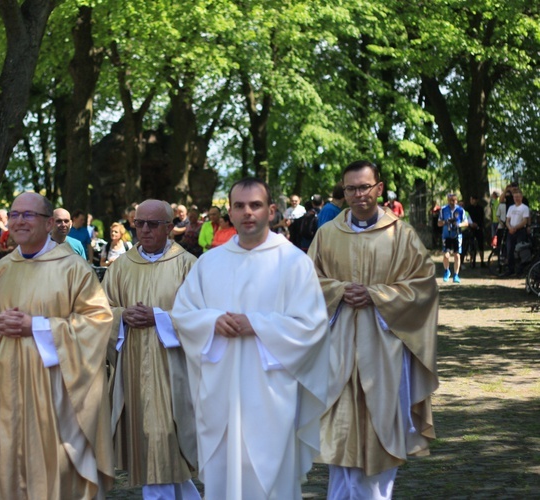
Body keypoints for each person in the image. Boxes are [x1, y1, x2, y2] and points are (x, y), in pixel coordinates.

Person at [172, 178, 330, 499]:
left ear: (271, 211)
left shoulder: (293, 262)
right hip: (220, 390)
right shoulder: (209, 262)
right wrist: (213, 320)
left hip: (272, 391)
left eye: (255, 205)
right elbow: (183, 314)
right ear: (229, 212)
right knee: (223, 476)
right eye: (240, 206)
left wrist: (256, 325)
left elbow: (312, 326)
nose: (248, 213)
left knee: (272, 480)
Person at [0, 192, 114, 499]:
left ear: (48, 224)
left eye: (28, 215)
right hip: (3, 390)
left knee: (51, 468)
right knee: (5, 466)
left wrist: (36, 326)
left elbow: (98, 321)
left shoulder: (74, 268)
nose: (19, 220)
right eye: (15, 214)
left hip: (55, 388)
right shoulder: (1, 269)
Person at [307, 160, 439, 500]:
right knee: (339, 433)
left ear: (379, 188)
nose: (358, 195)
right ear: (344, 191)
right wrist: (337, 291)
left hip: (385, 350)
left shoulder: (402, 235)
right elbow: (305, 284)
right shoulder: (327, 234)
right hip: (337, 351)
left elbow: (423, 287)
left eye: (365, 187)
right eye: (351, 188)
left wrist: (376, 295)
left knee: (381, 431)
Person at [102, 200, 199, 499]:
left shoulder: (188, 265)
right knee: (156, 445)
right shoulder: (121, 266)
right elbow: (100, 311)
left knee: (164, 440)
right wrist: (122, 316)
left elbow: (202, 316)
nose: (144, 229)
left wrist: (159, 318)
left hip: (174, 369)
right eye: (139, 223)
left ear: (170, 227)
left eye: (152, 224)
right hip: (132, 366)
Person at [438, 194, 469, 283]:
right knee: (446, 255)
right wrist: (445, 222)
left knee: (457, 255)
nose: (452, 202)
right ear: (448, 200)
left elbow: (466, 223)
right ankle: (447, 271)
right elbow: (439, 223)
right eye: (450, 200)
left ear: (456, 201)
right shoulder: (443, 210)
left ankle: (456, 275)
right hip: (446, 235)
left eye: (454, 200)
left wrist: (459, 224)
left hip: (457, 235)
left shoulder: (460, 210)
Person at [503, 188, 530, 277]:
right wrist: (510, 228)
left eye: (518, 197)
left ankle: (520, 270)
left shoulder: (525, 208)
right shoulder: (511, 208)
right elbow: (507, 220)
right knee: (509, 250)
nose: (516, 198)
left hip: (520, 231)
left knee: (520, 250)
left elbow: (525, 221)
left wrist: (515, 227)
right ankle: (511, 269)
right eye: (515, 197)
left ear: (521, 197)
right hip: (511, 231)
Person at [466, 196, 486, 268]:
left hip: (479, 228)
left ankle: (482, 261)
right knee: (472, 246)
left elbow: (482, 218)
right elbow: (466, 218)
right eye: (471, 199)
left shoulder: (480, 208)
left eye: (474, 199)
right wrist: (471, 224)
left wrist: (479, 225)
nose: (472, 201)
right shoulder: (468, 209)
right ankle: (472, 262)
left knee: (481, 245)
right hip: (471, 228)